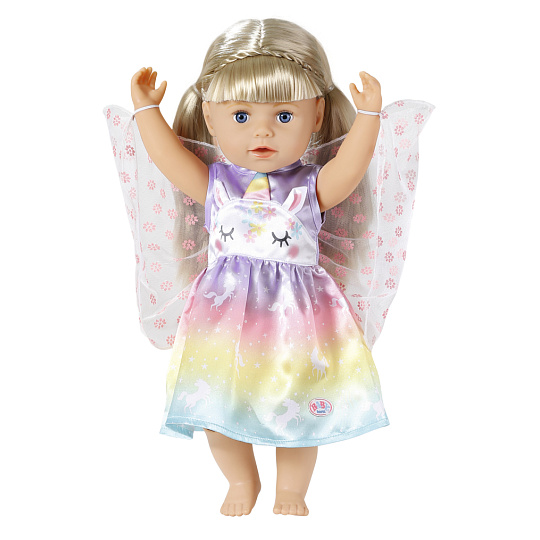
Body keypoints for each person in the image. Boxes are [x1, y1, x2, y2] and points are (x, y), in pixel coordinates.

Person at [105, 18, 433, 517]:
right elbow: (166, 159)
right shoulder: (216, 186)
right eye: (240, 115)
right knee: (215, 407)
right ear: (210, 116)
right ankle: (241, 478)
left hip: (296, 318)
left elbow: (351, 168)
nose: (261, 130)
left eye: (284, 115)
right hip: (222, 317)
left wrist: (369, 116)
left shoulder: (311, 187)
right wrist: (148, 111)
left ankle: (292, 490)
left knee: (299, 407)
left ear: (316, 115)